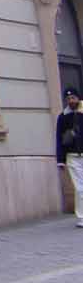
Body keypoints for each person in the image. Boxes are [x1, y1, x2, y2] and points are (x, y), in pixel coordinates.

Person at [60, 90, 83, 227]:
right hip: (72, 157)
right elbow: (59, 139)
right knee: (80, 188)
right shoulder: (63, 117)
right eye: (68, 98)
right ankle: (81, 218)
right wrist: (60, 160)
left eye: (73, 98)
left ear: (78, 98)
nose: (71, 101)